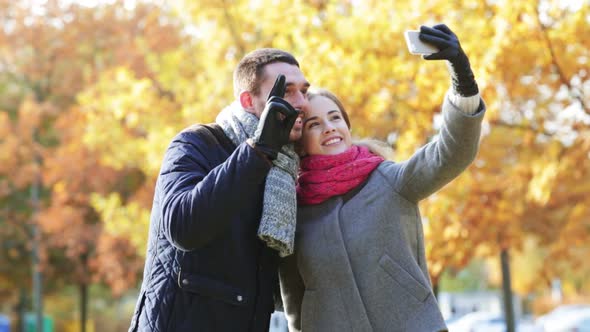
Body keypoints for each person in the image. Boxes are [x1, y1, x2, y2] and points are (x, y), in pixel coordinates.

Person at [279, 24, 485, 331]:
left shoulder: (388, 180)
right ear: (301, 142)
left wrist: (462, 77)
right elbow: (294, 303)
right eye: (314, 124)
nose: (330, 128)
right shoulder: (290, 209)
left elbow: (451, 152)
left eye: (335, 118)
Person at [128, 48, 310, 332]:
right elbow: (183, 226)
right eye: (287, 92)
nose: (301, 103)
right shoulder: (196, 143)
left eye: (304, 91)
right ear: (248, 101)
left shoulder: (287, 171)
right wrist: (257, 150)